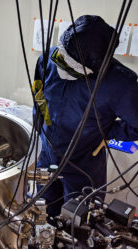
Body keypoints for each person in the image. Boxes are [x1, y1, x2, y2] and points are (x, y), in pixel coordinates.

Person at [32, 15, 138, 218]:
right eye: (61, 60)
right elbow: (38, 90)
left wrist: (104, 131)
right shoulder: (49, 57)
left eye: (70, 66)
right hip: (47, 157)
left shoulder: (120, 84)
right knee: (45, 215)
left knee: (78, 224)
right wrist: (42, 122)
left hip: (83, 167)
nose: (61, 67)